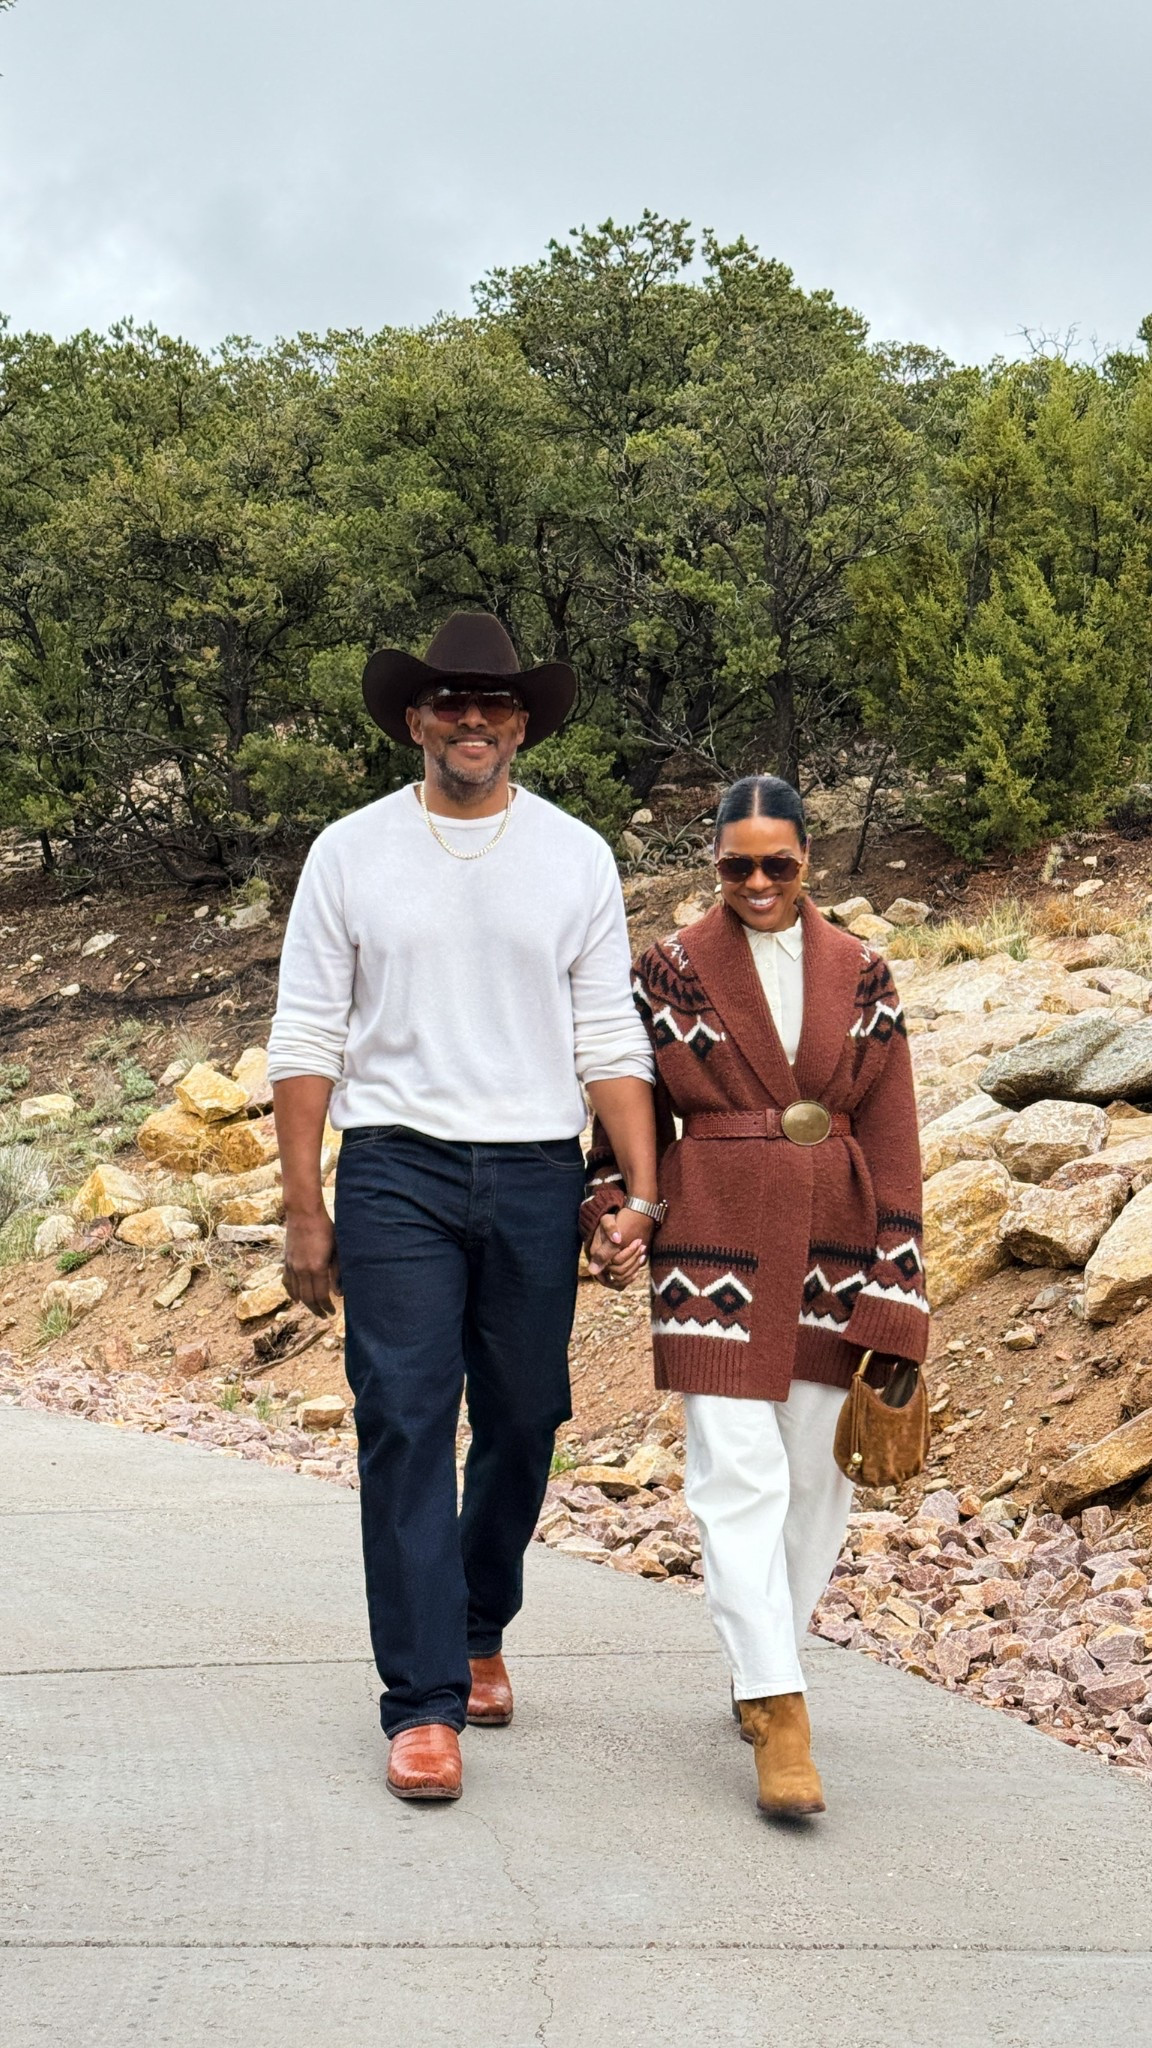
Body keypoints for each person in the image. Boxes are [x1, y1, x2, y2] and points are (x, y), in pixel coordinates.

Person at [268, 612, 658, 1802]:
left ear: (524, 722)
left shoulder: (575, 855)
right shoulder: (349, 851)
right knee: (400, 1415)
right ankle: (423, 1699)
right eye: (447, 700)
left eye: (492, 702)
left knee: (530, 1411)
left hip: (537, 1167)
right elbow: (305, 1035)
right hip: (395, 1167)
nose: (471, 718)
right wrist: (302, 1202)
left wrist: (640, 1189)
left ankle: (480, 1618)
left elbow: (607, 1033)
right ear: (414, 718)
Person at [582, 774, 927, 1818]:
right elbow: (621, 1098)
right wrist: (614, 1200)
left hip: (837, 1238)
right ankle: (781, 1708)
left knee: (819, 1485)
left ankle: (755, 1660)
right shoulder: (671, 967)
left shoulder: (863, 971)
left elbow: (897, 1128)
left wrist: (902, 1289)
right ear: (714, 863)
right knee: (736, 1477)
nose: (761, 881)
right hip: (712, 1237)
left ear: (810, 859)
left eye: (780, 862)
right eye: (739, 865)